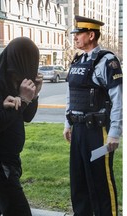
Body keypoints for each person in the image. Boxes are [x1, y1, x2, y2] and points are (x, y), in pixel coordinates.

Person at [0, 37, 43, 216]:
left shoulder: (14, 77)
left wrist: (33, 95)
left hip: (9, 159)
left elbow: (26, 117)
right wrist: (24, 99)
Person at [63, 15, 123, 216]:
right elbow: (71, 95)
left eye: (79, 34)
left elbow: (118, 100)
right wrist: (67, 123)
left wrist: (115, 132)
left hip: (99, 134)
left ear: (91, 35)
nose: (75, 37)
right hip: (79, 131)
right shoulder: (78, 60)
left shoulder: (107, 61)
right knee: (79, 182)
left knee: (100, 182)